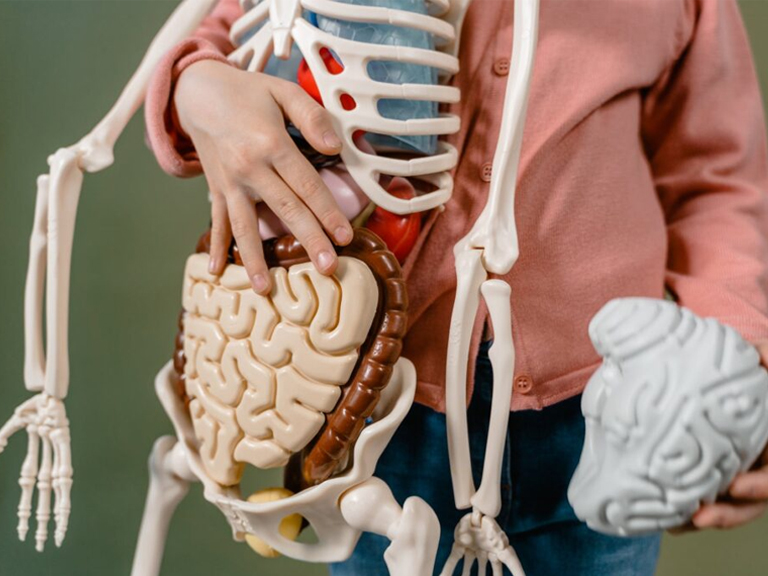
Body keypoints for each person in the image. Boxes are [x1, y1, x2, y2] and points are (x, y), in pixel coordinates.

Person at [144, 1, 768, 574]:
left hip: (606, 411)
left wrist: (737, 364)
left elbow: (718, 179)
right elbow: (216, 39)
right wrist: (196, 86)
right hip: (383, 414)